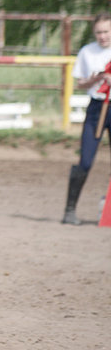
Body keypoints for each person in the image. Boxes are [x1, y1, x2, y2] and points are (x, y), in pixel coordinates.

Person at [62, 12, 111, 224]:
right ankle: (70, 210)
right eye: (99, 32)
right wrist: (94, 79)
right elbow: (79, 83)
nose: (102, 36)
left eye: (106, 31)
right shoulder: (87, 52)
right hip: (96, 108)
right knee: (85, 161)